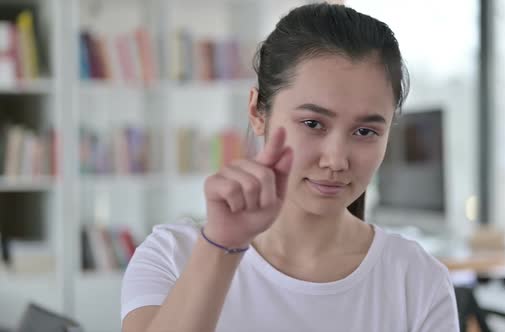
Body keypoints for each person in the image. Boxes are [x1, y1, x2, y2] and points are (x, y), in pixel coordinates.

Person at [121, 3, 459, 332]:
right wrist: (221, 247)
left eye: (366, 132)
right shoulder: (171, 256)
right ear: (257, 112)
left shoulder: (417, 280)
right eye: (313, 123)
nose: (336, 160)